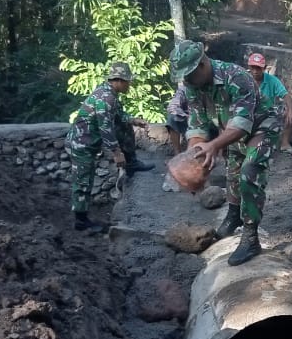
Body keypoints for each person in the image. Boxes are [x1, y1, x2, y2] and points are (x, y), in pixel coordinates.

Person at [169, 39, 279, 266]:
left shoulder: (237, 77)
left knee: (249, 173)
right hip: (230, 128)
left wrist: (214, 145)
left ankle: (251, 237)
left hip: (262, 125)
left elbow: (241, 125)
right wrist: (195, 155)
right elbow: (197, 124)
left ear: (202, 64)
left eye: (189, 74)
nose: (187, 80)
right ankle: (233, 215)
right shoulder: (193, 86)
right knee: (233, 171)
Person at [65, 62, 152, 233]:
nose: (130, 85)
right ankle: (81, 221)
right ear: (119, 81)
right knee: (83, 180)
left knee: (124, 126)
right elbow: (105, 129)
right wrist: (117, 153)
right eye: (128, 81)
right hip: (82, 144)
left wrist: (134, 120)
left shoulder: (109, 94)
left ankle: (132, 162)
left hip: (88, 142)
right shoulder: (105, 98)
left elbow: (119, 116)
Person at [246, 52, 292, 154]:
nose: (255, 71)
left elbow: (286, 95)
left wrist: (291, 110)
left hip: (267, 112)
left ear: (264, 68)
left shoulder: (272, 80)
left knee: (291, 110)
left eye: (258, 68)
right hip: (249, 112)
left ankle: (284, 143)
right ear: (249, 67)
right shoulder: (244, 79)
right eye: (253, 68)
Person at [165, 82, 189, 155]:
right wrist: (186, 116)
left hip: (209, 120)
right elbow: (172, 107)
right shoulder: (184, 89)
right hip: (189, 118)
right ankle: (177, 153)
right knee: (172, 118)